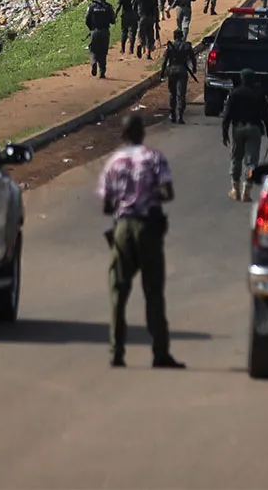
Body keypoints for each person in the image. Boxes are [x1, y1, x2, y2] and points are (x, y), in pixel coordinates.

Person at [97, 114, 183, 368]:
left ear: (123, 136)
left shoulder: (113, 162)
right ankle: (160, 352)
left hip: (123, 229)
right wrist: (148, 195)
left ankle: (116, 352)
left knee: (118, 291)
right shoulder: (154, 158)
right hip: (148, 228)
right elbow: (168, 193)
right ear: (143, 133)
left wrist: (124, 200)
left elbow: (106, 205)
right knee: (154, 291)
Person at [222, 70, 268, 200]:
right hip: (254, 128)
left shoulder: (234, 93)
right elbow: (266, 114)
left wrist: (225, 132)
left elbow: (227, 115)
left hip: (238, 128)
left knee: (236, 158)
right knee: (252, 162)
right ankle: (247, 190)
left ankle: (235, 189)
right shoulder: (259, 94)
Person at [162, 27, 198, 124]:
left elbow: (164, 61)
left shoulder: (170, 46)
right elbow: (193, 58)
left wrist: (162, 74)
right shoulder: (186, 46)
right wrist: (194, 68)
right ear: (182, 36)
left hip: (172, 71)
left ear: (174, 37)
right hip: (182, 71)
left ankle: (172, 114)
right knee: (181, 94)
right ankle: (180, 116)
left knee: (172, 94)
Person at [85, 0, 117, 78]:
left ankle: (94, 62)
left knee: (93, 50)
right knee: (103, 52)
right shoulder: (108, 7)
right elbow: (113, 20)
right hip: (105, 32)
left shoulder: (91, 7)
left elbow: (87, 20)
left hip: (94, 32)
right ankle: (102, 72)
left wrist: (92, 29)